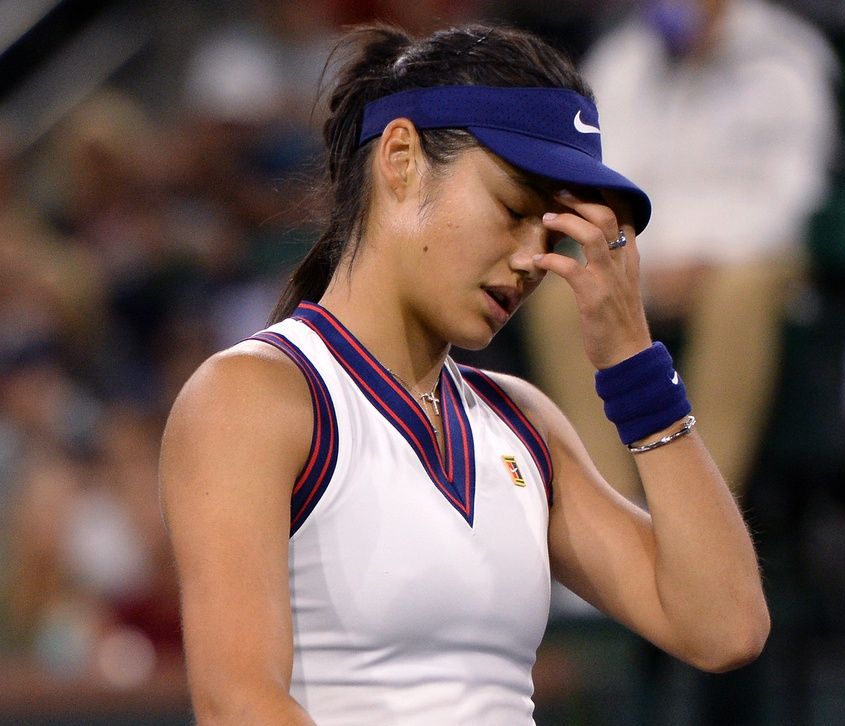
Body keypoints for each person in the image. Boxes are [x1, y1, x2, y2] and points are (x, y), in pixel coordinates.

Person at [158, 23, 769, 725]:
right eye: (514, 211)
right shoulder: (255, 397)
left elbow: (726, 626)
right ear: (401, 158)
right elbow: (239, 706)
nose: (531, 260)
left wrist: (636, 367)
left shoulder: (524, 422)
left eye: (553, 234)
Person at [522, 0, 838, 501]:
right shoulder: (622, 59)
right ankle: (616, 506)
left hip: (747, 257)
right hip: (644, 252)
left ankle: (702, 509)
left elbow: (793, 193)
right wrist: (645, 259)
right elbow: (601, 178)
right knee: (559, 291)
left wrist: (709, 258)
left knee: (740, 292)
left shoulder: (787, 57)